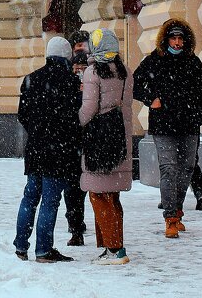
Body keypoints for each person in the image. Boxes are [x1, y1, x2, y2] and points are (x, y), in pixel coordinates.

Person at [133, 18, 202, 239]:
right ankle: (170, 217)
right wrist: (151, 99)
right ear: (166, 39)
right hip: (163, 124)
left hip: (189, 124)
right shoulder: (155, 60)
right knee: (168, 168)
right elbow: (136, 83)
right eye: (173, 38)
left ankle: (177, 209)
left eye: (180, 38)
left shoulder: (192, 62)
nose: (177, 43)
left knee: (187, 167)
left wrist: (200, 113)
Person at [13, 35, 82, 263]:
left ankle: (21, 245)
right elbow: (75, 118)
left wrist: (37, 130)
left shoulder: (31, 79)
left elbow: (23, 115)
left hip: (35, 148)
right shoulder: (71, 81)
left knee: (30, 197)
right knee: (50, 200)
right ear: (67, 56)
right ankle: (43, 250)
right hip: (59, 150)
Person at [78, 29, 134, 265]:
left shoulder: (93, 72)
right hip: (119, 139)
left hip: (99, 141)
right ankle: (111, 246)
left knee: (98, 195)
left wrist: (75, 123)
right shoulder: (124, 71)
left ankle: (114, 250)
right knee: (112, 196)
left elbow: (89, 109)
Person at [65, 50, 90, 246]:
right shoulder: (67, 87)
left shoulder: (95, 86)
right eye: (76, 68)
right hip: (72, 145)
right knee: (73, 190)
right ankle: (75, 227)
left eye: (83, 68)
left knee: (94, 190)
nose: (80, 72)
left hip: (91, 144)